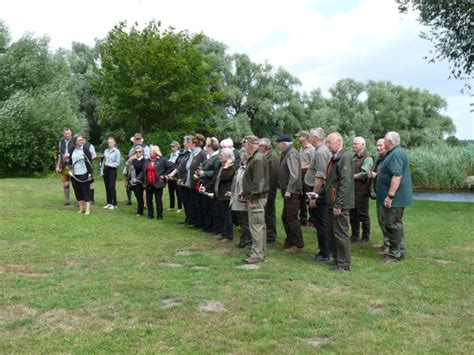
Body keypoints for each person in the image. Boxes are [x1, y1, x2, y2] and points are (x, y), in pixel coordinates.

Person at [376, 131, 413, 263]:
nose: (383, 142)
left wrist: (390, 196)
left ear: (390, 142)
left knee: (392, 225)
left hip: (394, 199)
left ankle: (394, 255)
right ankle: (399, 251)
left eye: (384, 140)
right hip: (394, 198)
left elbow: (397, 176)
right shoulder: (394, 153)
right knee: (395, 224)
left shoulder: (396, 154)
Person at [324, 132, 354, 272]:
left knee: (341, 234)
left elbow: (345, 183)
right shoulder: (336, 157)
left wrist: (339, 204)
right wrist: (318, 195)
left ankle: (343, 264)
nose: (327, 145)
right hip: (333, 202)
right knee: (333, 233)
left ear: (338, 141)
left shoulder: (345, 157)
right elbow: (331, 183)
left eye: (329, 142)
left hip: (339, 204)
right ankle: (337, 260)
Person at [241, 135, 269, 264]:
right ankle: (258, 251)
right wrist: (244, 192)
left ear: (249, 144)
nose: (244, 146)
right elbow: (253, 179)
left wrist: (252, 198)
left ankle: (257, 255)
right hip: (255, 197)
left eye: (244, 143)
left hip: (256, 199)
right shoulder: (256, 157)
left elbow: (259, 182)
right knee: (258, 226)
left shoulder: (258, 158)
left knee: (256, 226)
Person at [305, 128, 332, 262]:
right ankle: (328, 250)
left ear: (315, 137)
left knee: (320, 222)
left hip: (318, 191)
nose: (308, 137)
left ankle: (324, 253)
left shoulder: (321, 152)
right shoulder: (321, 150)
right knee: (323, 221)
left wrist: (314, 196)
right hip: (319, 190)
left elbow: (320, 176)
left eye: (310, 135)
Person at [276, 134, 304, 253]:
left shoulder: (292, 154)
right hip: (289, 192)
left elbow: (294, 175)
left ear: (284, 144)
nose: (278, 146)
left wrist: (289, 190)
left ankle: (297, 245)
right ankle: (290, 241)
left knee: (292, 218)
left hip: (293, 193)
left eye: (279, 144)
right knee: (285, 217)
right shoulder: (287, 153)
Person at [200, 148, 236, 242]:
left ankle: (229, 236)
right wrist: (206, 187)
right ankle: (223, 233)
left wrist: (226, 167)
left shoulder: (231, 167)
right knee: (219, 214)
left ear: (228, 157)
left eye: (222, 156)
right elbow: (214, 179)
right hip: (217, 194)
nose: (220, 157)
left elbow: (224, 178)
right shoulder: (220, 165)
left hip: (225, 195)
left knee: (226, 216)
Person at [139, 145, 175, 220]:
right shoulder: (147, 160)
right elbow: (143, 172)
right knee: (149, 200)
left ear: (156, 152)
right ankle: (150, 215)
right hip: (149, 182)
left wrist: (164, 175)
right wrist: (137, 179)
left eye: (151, 151)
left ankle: (159, 215)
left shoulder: (162, 160)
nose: (149, 152)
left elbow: (172, 167)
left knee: (158, 200)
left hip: (158, 182)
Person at [350, 137, 374, 243]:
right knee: (352, 214)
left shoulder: (368, 158)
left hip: (362, 191)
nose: (354, 145)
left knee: (363, 214)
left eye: (356, 144)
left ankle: (365, 237)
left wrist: (351, 176)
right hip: (353, 190)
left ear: (363, 145)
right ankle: (355, 235)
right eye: (353, 144)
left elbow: (365, 173)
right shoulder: (354, 156)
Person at [258, 138, 280, 244]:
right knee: (267, 213)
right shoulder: (267, 156)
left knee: (269, 213)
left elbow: (273, 177)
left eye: (259, 145)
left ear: (264, 147)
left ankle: (271, 236)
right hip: (266, 189)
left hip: (269, 190)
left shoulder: (273, 158)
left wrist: (267, 191)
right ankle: (268, 234)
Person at [196, 137, 220, 233]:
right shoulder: (209, 157)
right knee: (206, 207)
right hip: (204, 184)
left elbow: (216, 172)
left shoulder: (217, 158)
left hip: (211, 185)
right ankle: (208, 225)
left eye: (207, 146)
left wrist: (204, 173)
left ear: (211, 147)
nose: (205, 148)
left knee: (212, 208)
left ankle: (214, 227)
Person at [369, 138, 389, 254]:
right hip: (379, 194)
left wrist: (376, 175)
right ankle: (385, 243)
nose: (378, 148)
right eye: (377, 146)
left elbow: (392, 176)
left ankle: (389, 245)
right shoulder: (379, 159)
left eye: (381, 145)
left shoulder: (389, 159)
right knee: (381, 219)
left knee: (387, 220)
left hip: (387, 195)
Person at [183, 134, 207, 227]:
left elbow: (200, 167)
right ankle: (192, 220)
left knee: (197, 203)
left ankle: (198, 222)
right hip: (190, 182)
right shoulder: (192, 153)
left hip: (197, 183)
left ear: (193, 144)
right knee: (191, 202)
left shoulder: (200, 153)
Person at [230, 149, 252, 249]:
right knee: (242, 222)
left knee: (246, 223)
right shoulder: (241, 168)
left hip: (244, 199)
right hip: (238, 199)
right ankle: (243, 242)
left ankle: (248, 243)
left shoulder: (248, 168)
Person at [68, 134, 93, 215]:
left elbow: (90, 163)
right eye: (79, 140)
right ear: (75, 141)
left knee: (85, 191)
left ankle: (88, 209)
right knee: (77, 191)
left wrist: (90, 174)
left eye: (82, 139)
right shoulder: (72, 149)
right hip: (74, 174)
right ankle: (81, 208)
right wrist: (69, 169)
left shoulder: (85, 150)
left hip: (84, 173)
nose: (81, 141)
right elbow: (70, 162)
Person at [296, 131, 315, 227]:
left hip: (308, 175)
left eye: (299, 136)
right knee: (301, 197)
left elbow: (312, 164)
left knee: (309, 197)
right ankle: (303, 219)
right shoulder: (301, 148)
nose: (298, 138)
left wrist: (301, 167)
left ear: (305, 137)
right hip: (300, 175)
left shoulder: (312, 149)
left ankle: (312, 220)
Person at [124, 133, 150, 205]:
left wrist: (138, 158)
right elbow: (129, 159)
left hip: (142, 170)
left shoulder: (146, 148)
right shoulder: (132, 149)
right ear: (134, 140)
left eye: (139, 139)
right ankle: (129, 200)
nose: (138, 141)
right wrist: (126, 168)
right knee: (128, 185)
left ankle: (144, 203)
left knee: (142, 186)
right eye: (136, 139)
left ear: (141, 140)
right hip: (132, 169)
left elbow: (147, 159)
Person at [56, 127, 74, 205]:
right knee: (65, 183)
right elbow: (59, 155)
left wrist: (70, 154)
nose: (67, 135)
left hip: (73, 164)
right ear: (63, 134)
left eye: (68, 133)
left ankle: (78, 200)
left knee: (75, 183)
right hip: (64, 165)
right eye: (65, 133)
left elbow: (79, 151)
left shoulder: (75, 141)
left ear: (71, 133)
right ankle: (67, 200)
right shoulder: (61, 142)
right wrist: (58, 165)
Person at [101, 137, 121, 209]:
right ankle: (109, 203)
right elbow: (103, 161)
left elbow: (117, 163)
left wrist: (109, 164)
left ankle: (114, 203)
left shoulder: (117, 151)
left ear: (114, 143)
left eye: (111, 142)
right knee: (107, 187)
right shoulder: (106, 151)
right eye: (109, 142)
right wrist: (101, 171)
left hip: (112, 170)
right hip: (106, 170)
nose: (110, 144)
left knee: (111, 187)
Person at [166, 141, 183, 213]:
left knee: (178, 192)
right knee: (171, 191)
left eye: (173, 146)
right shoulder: (170, 155)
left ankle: (179, 207)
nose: (172, 147)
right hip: (170, 175)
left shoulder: (180, 155)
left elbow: (178, 165)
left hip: (177, 176)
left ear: (177, 146)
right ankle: (171, 206)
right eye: (171, 146)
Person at [130, 145, 145, 216]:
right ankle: (139, 209)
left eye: (139, 152)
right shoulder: (134, 159)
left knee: (139, 196)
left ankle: (140, 211)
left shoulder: (144, 160)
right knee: (137, 196)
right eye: (136, 152)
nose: (138, 153)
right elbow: (129, 168)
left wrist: (133, 160)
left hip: (139, 181)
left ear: (142, 152)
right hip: (133, 180)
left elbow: (137, 167)